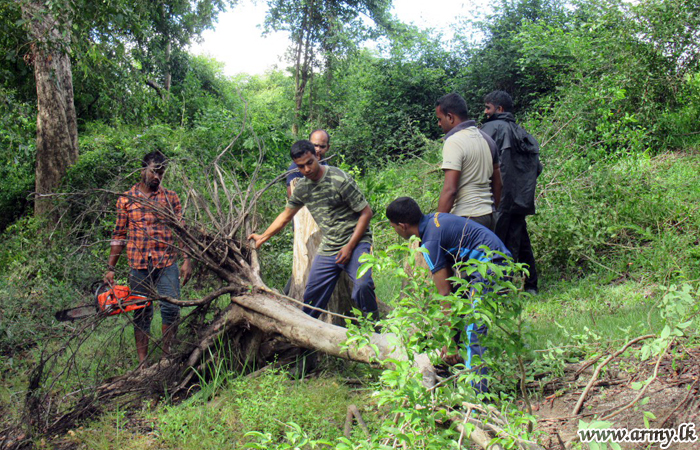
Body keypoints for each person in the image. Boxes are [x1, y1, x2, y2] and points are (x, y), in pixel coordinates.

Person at [386, 196, 511, 392]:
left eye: (393, 227)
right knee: (461, 316)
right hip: (486, 265)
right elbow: (453, 290)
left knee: (474, 330)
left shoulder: (430, 241)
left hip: (492, 265)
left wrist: (448, 341)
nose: (395, 230)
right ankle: (460, 373)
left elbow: (444, 294)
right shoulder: (434, 221)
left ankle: (477, 395)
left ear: (402, 226)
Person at [249, 140, 378, 319]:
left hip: (356, 242)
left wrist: (349, 246)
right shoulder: (302, 188)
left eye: (310, 163)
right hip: (330, 246)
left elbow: (366, 213)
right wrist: (263, 237)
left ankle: (374, 328)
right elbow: (286, 216)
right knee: (311, 296)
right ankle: (305, 336)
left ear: (317, 156)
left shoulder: (338, 178)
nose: (307, 169)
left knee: (363, 285)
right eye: (301, 167)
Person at [104, 151, 192, 363]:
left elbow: (181, 229)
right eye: (154, 172)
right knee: (141, 313)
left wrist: (187, 259)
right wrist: (110, 268)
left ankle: (165, 359)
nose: (157, 177)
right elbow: (119, 235)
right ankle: (143, 363)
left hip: (166, 262)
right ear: (143, 169)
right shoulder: (126, 200)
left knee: (171, 308)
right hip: (139, 264)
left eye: (161, 174)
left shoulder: (170, 197)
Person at [481, 90, 541, 294]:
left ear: (499, 109)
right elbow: (537, 168)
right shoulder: (522, 132)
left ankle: (502, 290)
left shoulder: (489, 129)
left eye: (488, 107)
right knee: (518, 240)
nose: (485, 111)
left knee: (497, 243)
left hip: (497, 199)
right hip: (520, 199)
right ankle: (531, 285)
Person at [435, 93, 502, 231]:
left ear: (450, 117)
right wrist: (494, 209)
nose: (439, 124)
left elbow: (450, 190)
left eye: (440, 119)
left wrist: (436, 224)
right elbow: (498, 182)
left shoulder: (454, 141)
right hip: (489, 216)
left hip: (466, 217)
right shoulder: (486, 139)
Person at [286, 129, 330, 197]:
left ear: (328, 147)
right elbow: (292, 197)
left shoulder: (326, 166)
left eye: (322, 146)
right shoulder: (296, 168)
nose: (318, 149)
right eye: (315, 145)